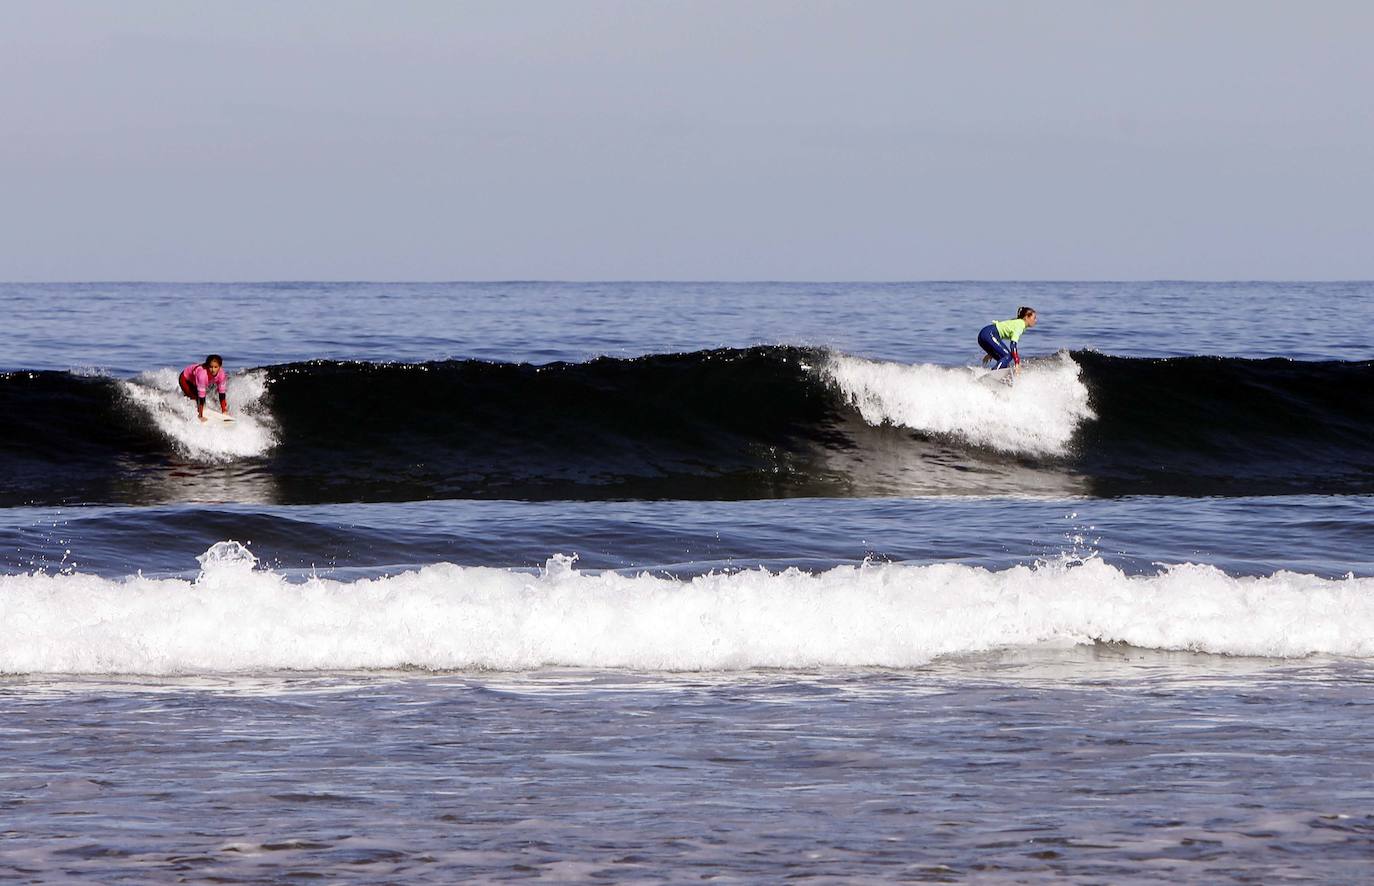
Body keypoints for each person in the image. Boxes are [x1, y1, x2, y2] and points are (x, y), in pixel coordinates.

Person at [978, 307, 1038, 373]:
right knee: (1008, 356)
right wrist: (1017, 363)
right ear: (1026, 317)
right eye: (1034, 318)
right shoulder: (1020, 325)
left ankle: (1000, 379)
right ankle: (993, 374)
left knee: (1004, 361)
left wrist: (991, 353)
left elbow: (999, 333)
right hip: (989, 334)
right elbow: (1013, 345)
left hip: (984, 335)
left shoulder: (1017, 322)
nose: (1036, 321)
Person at [178, 354, 229, 422]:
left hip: (195, 380)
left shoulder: (222, 374)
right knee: (195, 397)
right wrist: (201, 416)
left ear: (220, 366)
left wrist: (224, 411)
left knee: (204, 394)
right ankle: (194, 411)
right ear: (207, 366)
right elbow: (201, 397)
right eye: (211, 367)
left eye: (216, 367)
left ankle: (198, 407)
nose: (213, 370)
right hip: (185, 379)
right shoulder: (202, 375)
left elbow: (222, 394)